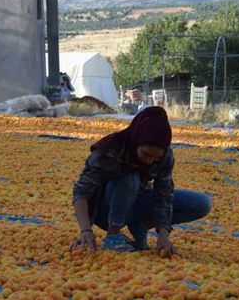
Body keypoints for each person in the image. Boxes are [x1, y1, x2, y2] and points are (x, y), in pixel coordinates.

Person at [70, 106, 211, 256]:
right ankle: (113, 235)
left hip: (135, 202)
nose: (150, 161)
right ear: (136, 140)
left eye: (155, 158)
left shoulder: (165, 156)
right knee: (130, 175)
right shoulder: (110, 150)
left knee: (201, 204)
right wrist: (86, 230)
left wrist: (163, 235)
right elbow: (81, 192)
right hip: (105, 210)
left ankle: (140, 225)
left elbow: (164, 194)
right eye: (146, 154)